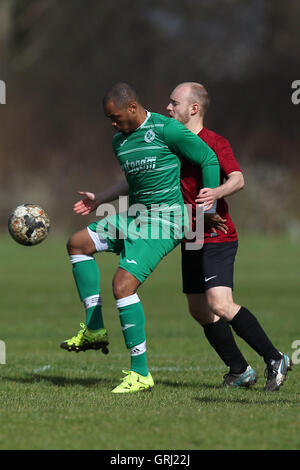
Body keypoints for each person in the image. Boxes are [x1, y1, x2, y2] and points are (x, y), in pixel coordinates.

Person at [61, 82, 221, 394]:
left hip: (166, 222)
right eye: (110, 119)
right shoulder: (119, 142)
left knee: (122, 285)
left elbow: (209, 159)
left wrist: (207, 207)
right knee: (77, 243)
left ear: (133, 108)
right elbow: (132, 183)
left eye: (116, 117)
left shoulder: (166, 129)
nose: (113, 124)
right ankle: (94, 329)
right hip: (135, 216)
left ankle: (140, 373)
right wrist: (100, 198)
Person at [166, 82, 292, 392]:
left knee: (220, 303)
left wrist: (215, 193)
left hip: (217, 235)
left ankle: (275, 358)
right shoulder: (170, 142)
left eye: (174, 103)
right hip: (191, 234)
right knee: (198, 309)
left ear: (193, 109)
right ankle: (239, 370)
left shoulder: (214, 142)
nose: (168, 108)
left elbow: (238, 178)